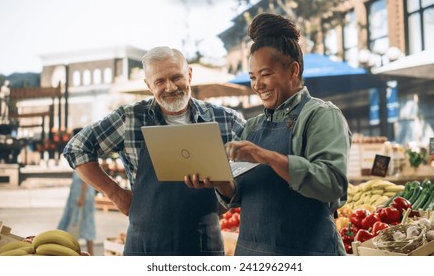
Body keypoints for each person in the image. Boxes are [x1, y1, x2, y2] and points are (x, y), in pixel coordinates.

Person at [185, 13, 352, 256]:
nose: (257, 85)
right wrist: (217, 180)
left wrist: (267, 157)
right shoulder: (252, 127)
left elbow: (332, 184)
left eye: (265, 74)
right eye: (253, 77)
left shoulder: (321, 115)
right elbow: (240, 193)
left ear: (293, 70)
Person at [63, 46, 246, 256]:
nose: (170, 87)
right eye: (160, 81)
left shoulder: (225, 119)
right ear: (149, 85)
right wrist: (116, 194)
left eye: (176, 77)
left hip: (203, 244)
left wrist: (226, 193)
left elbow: (253, 166)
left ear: (189, 75)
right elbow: (76, 149)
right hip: (144, 246)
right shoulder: (130, 118)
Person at [58, 128, 97, 255]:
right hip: (80, 194)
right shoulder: (83, 149)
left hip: (83, 195)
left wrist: (81, 196)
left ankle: (84, 253)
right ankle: (84, 253)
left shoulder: (82, 150)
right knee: (82, 224)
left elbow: (87, 177)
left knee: (83, 224)